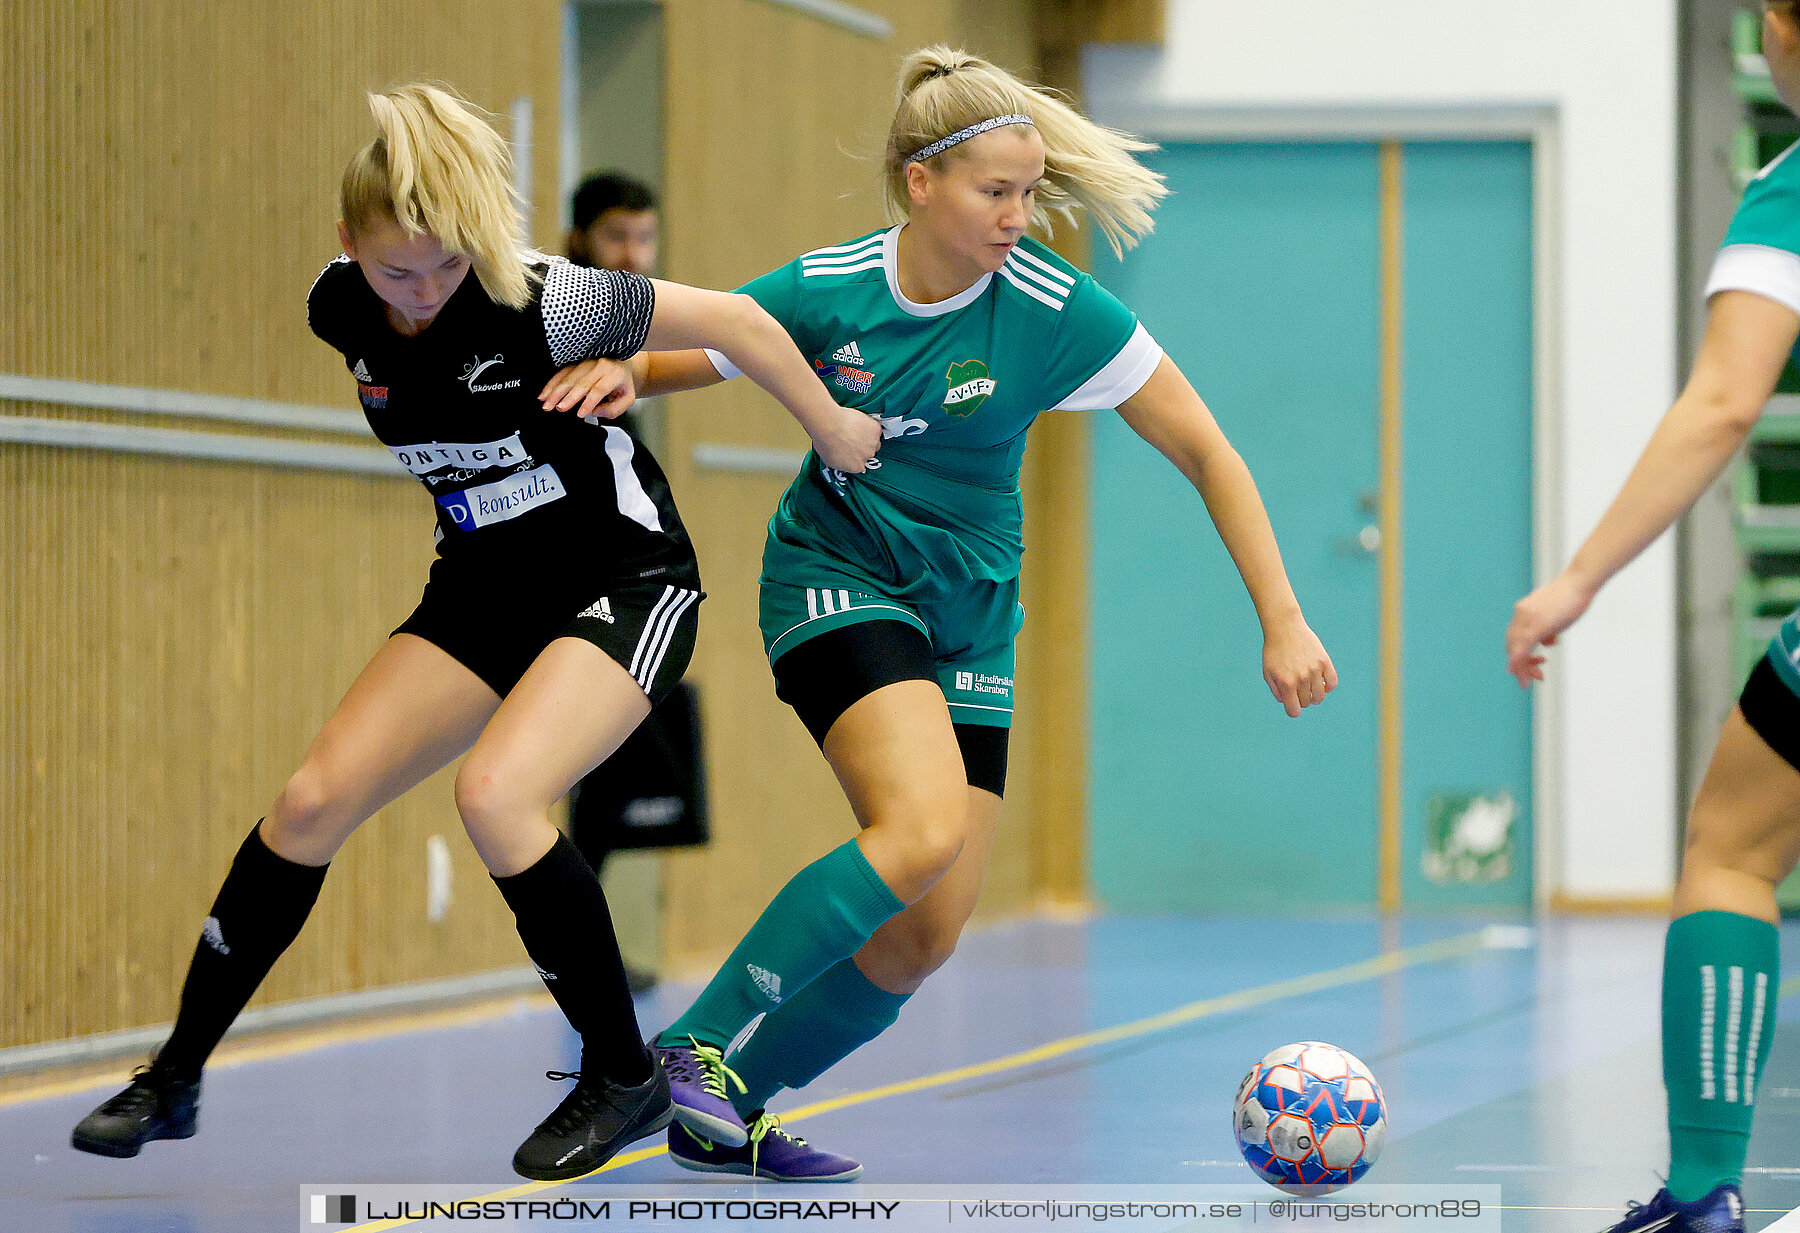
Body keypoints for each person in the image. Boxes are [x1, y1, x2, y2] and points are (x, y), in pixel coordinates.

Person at [542, 46, 1337, 1182]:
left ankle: (728, 1115)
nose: (1020, 216)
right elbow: (705, 346)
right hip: (838, 577)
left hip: (970, 618)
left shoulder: (1057, 312)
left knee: (924, 933)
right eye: (994, 192)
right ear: (920, 182)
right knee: (919, 830)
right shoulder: (834, 286)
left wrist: (1284, 616)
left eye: (1030, 192)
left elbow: (1208, 448)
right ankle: (685, 1052)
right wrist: (625, 374)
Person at [68, 83, 880, 1182]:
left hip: (625, 581)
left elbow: (738, 323)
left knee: (497, 796)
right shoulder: (337, 304)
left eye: (448, 267)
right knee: (309, 804)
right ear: (345, 242)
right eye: (399, 270)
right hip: (481, 591)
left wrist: (830, 429)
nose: (427, 291)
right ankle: (175, 1078)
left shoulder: (546, 299)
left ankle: (621, 1072)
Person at [1506, 5, 1800, 1229]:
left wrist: (1577, 577)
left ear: (1780, 29)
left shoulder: (1787, 193)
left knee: (1732, 850)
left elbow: (1725, 403)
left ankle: (1701, 1190)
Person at [562, 169, 686, 995]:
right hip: (568, 582)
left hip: (623, 578)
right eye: (617, 237)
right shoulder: (558, 331)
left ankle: (584, 956)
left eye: (645, 238)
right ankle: (576, 958)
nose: (634, 254)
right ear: (580, 240)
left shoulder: (626, 346)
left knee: (611, 774)